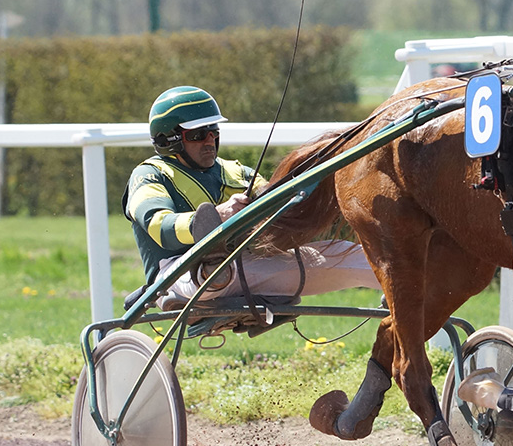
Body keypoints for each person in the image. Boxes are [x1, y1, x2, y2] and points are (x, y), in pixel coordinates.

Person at [122, 85, 379, 305]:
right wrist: (218, 217)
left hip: (249, 266)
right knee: (221, 271)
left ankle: (401, 284)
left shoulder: (239, 172)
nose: (209, 140)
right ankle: (212, 269)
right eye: (198, 135)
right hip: (177, 276)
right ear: (169, 140)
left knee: (350, 254)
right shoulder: (150, 175)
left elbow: (278, 204)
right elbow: (160, 227)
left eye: (213, 132)